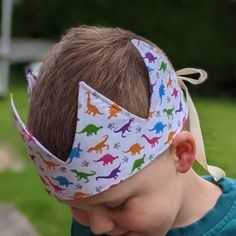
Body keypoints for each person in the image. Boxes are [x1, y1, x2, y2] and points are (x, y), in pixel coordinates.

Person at [11, 26, 236, 236]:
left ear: (181, 154)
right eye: (75, 207)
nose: (97, 228)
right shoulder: (91, 221)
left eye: (116, 205)